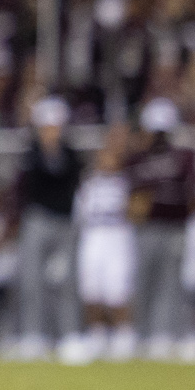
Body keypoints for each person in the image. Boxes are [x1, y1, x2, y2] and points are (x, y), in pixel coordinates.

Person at [126, 98, 195, 361]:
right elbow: (133, 196)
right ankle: (142, 335)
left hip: (175, 226)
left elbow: (192, 193)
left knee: (172, 283)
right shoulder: (137, 158)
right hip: (148, 227)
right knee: (145, 281)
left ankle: (172, 335)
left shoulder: (183, 158)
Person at [11, 97, 82, 361]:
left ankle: (69, 335)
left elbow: (70, 187)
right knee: (31, 281)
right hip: (37, 220)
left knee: (66, 281)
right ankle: (32, 335)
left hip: (64, 222)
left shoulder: (71, 155)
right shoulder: (30, 154)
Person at [74, 142, 140, 361]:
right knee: (91, 287)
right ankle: (97, 334)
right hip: (93, 235)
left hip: (117, 235)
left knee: (117, 287)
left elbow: (136, 212)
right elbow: (79, 215)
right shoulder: (88, 184)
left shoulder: (126, 183)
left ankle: (123, 335)